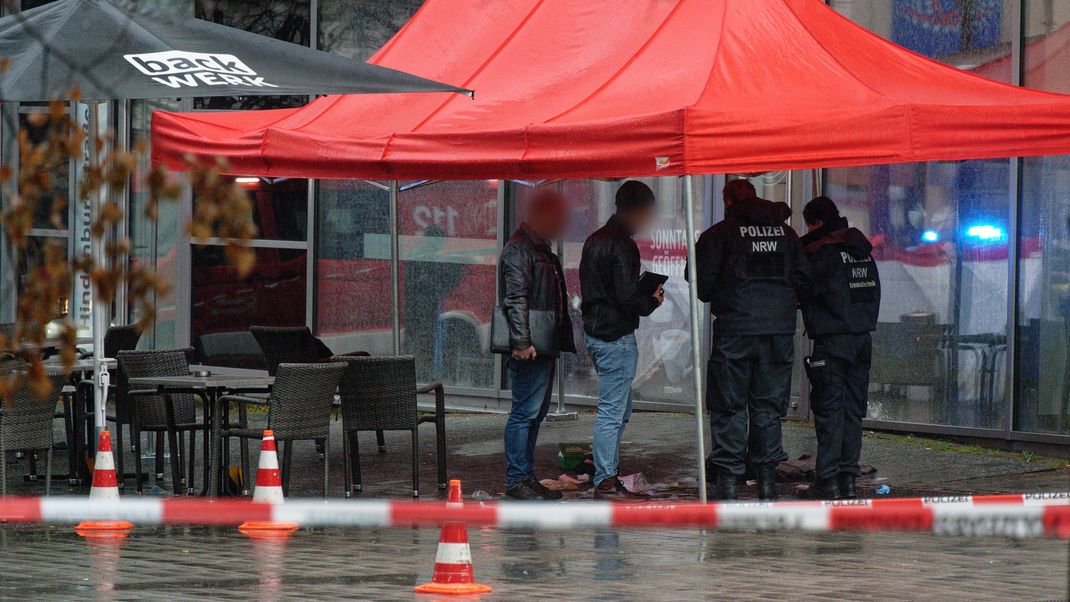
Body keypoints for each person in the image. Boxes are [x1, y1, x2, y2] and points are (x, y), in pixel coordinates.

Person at [694, 179, 809, 500]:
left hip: (735, 332)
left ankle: (729, 480)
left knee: (729, 405)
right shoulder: (787, 235)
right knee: (768, 407)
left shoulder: (718, 235)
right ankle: (767, 482)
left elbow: (701, 287)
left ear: (728, 202)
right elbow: (805, 280)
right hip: (778, 333)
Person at [579, 180, 664, 498]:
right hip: (615, 337)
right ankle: (604, 476)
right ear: (639, 211)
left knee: (619, 409)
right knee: (613, 411)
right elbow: (628, 297)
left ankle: (602, 464)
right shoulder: (623, 245)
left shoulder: (595, 239)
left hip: (596, 334)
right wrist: (652, 300)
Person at [798, 196, 881, 500]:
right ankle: (848, 479)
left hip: (833, 342)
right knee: (851, 412)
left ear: (816, 223)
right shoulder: (862, 252)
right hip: (862, 340)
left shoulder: (822, 254)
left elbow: (802, 290)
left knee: (830, 412)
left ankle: (828, 482)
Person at [497, 188, 575, 500]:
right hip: (530, 346)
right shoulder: (520, 249)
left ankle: (524, 477)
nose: (562, 224)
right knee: (525, 412)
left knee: (534, 413)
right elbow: (515, 297)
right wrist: (522, 341)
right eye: (558, 217)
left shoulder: (539, 249)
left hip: (542, 344)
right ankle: (518, 479)